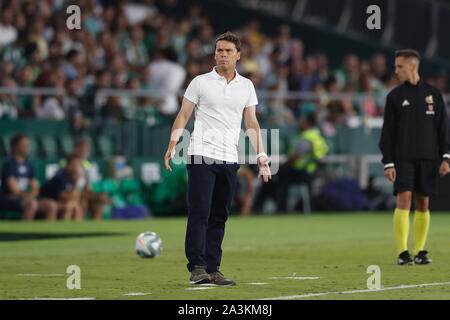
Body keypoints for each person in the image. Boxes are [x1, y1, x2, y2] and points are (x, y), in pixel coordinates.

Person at [163, 32, 271, 286]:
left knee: (220, 215)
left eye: (228, 51)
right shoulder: (200, 82)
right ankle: (197, 267)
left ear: (238, 55)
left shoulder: (246, 86)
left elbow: (252, 122)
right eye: (219, 50)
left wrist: (261, 155)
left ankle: (213, 268)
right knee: (200, 212)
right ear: (214, 54)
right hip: (201, 154)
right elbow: (183, 115)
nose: (223, 54)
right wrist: (172, 144)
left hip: (229, 158)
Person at [379, 49, 450, 265]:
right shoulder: (394, 97)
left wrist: (446, 157)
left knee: (423, 203)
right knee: (404, 199)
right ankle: (403, 253)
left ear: (413, 66)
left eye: (399, 66)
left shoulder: (433, 94)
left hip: (428, 158)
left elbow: (443, 129)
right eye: (395, 66)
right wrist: (388, 162)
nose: (396, 71)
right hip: (403, 159)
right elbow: (387, 133)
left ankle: (420, 251)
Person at [254, 113, 328, 212]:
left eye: (302, 121)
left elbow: (296, 156)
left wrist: (282, 165)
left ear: (308, 123)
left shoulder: (307, 137)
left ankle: (275, 207)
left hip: (302, 171)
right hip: (312, 171)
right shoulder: (317, 136)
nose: (299, 123)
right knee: (275, 177)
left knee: (272, 176)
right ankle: (271, 206)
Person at [0, 134, 58, 220]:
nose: (27, 147)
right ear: (15, 147)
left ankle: (47, 232)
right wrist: (29, 196)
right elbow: (14, 190)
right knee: (31, 204)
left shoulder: (29, 165)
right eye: (24, 145)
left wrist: (31, 195)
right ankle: (25, 232)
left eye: (27, 145)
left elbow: (35, 187)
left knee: (51, 205)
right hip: (10, 199)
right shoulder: (9, 165)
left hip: (25, 198)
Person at [61, 138, 108, 220]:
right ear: (76, 149)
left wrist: (95, 195)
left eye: (87, 149)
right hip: (69, 192)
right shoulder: (66, 162)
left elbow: (88, 186)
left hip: (83, 193)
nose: (85, 151)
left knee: (98, 203)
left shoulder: (88, 165)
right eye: (82, 148)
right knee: (83, 202)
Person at [40, 154, 84, 220]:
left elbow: (76, 197)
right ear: (68, 166)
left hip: (59, 201)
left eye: (78, 165)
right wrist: (76, 183)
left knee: (77, 207)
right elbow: (63, 197)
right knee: (68, 206)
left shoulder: (72, 177)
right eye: (75, 165)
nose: (77, 168)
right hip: (45, 200)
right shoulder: (60, 177)